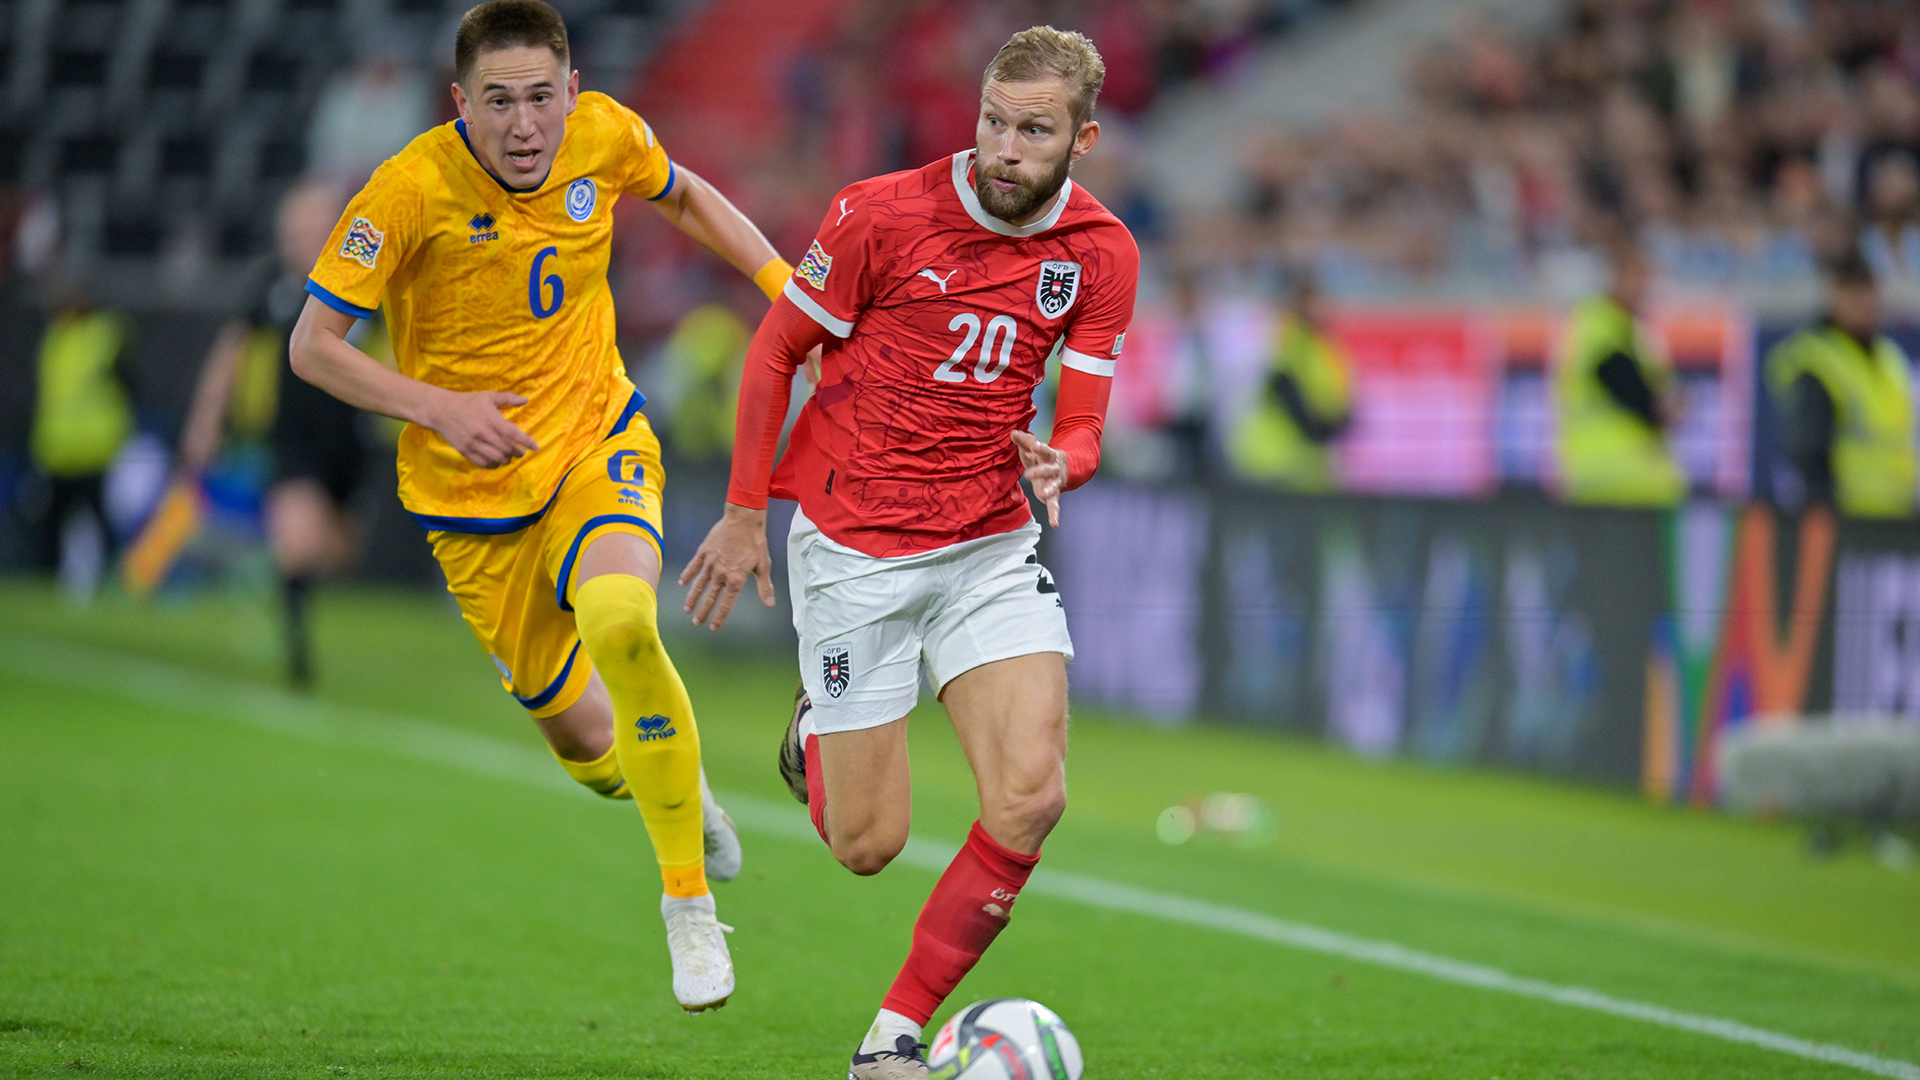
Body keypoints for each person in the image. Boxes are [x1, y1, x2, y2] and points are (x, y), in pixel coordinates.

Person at [287, 0, 795, 1011]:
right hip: (470, 503)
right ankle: (679, 796)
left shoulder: (603, 133)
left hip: (594, 445)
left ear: (571, 91)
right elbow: (312, 346)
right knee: (587, 750)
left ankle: (688, 913)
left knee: (620, 620)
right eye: (497, 103)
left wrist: (787, 288)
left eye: (539, 100)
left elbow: (686, 195)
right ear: (459, 103)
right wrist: (438, 407)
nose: (524, 127)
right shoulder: (407, 189)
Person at [680, 27, 1138, 1079]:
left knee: (1032, 794)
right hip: (856, 552)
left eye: (1034, 130)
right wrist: (747, 512)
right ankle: (819, 723)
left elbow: (1085, 420)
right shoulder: (878, 214)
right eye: (993, 120)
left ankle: (891, 1037)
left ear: (1082, 138)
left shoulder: (1103, 252)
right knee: (866, 846)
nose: (1006, 148)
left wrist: (1067, 460)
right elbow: (775, 352)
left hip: (987, 543)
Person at [167, 180, 377, 686]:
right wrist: (206, 420)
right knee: (301, 542)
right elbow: (231, 353)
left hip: (352, 439)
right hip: (292, 438)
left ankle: (277, 571)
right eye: (292, 229)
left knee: (339, 552)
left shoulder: (367, 280)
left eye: (309, 228)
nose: (298, 239)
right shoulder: (270, 288)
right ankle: (298, 653)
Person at [1767, 251, 1917, 518]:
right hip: (1847, 516)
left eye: (1869, 292)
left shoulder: (1890, 358)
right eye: (1854, 293)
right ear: (1834, 296)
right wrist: (1825, 515)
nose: (1865, 303)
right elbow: (1809, 451)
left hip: (1896, 516)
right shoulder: (1818, 361)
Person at [1553, 240, 1687, 507]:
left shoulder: (1627, 329)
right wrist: (1662, 405)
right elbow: (1633, 392)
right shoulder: (1601, 325)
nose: (1645, 285)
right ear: (1616, 276)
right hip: (1616, 482)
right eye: (1637, 275)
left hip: (1625, 481)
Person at [1228, 270, 1351, 490]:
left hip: (1308, 466)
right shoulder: (1286, 336)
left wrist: (1331, 425)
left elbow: (1344, 405)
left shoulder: (1326, 348)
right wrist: (1319, 427)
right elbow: (1283, 386)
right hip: (1274, 460)